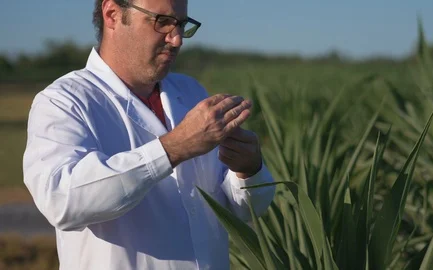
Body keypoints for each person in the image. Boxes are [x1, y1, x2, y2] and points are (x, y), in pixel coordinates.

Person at [22, 0, 276, 269]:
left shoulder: (190, 92)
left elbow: (243, 210)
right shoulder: (63, 101)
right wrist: (174, 148)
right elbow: (61, 201)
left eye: (181, 24)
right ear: (112, 15)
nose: (177, 39)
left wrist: (248, 171)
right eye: (162, 21)